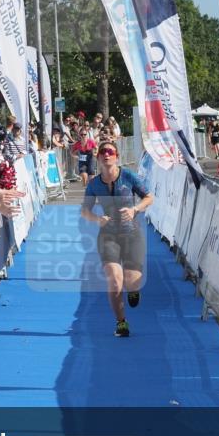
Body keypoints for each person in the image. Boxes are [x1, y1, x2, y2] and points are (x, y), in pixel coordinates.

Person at [81, 141, 154, 338]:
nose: (106, 155)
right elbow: (84, 211)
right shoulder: (94, 183)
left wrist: (134, 209)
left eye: (110, 152)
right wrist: (97, 219)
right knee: (114, 280)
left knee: (131, 282)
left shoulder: (128, 176)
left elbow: (149, 197)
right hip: (108, 236)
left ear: (116, 156)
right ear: (98, 157)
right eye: (102, 152)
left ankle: (133, 289)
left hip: (131, 234)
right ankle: (121, 322)